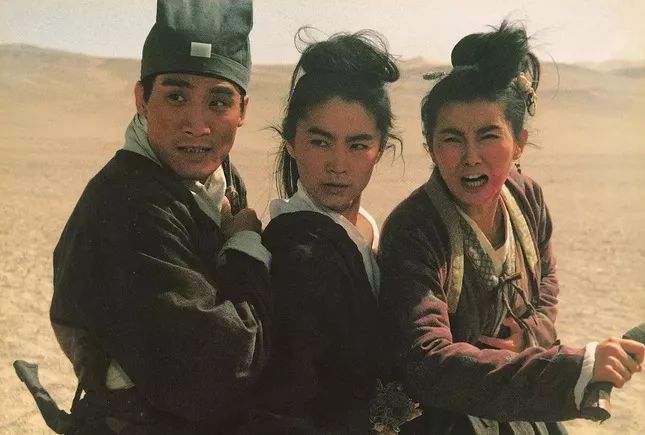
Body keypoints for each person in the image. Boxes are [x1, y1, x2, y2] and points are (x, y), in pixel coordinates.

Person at [378, 21, 645, 434]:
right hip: (447, 419)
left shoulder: (527, 198)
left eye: (488, 136)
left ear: (518, 142)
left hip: (527, 406)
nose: (471, 157)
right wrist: (573, 370)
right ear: (430, 146)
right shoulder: (414, 230)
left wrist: (530, 335)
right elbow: (427, 359)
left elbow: (546, 284)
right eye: (452, 139)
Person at [49, 0, 272, 433]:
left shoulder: (220, 177)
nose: (197, 125)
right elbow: (224, 369)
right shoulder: (128, 203)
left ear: (243, 110)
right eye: (176, 97)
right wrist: (246, 248)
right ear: (142, 100)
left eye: (218, 101)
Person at [237, 29, 401, 433]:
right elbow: (283, 409)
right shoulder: (299, 254)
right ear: (291, 142)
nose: (337, 165)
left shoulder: (365, 230)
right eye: (320, 142)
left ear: (381, 148)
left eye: (358, 145)